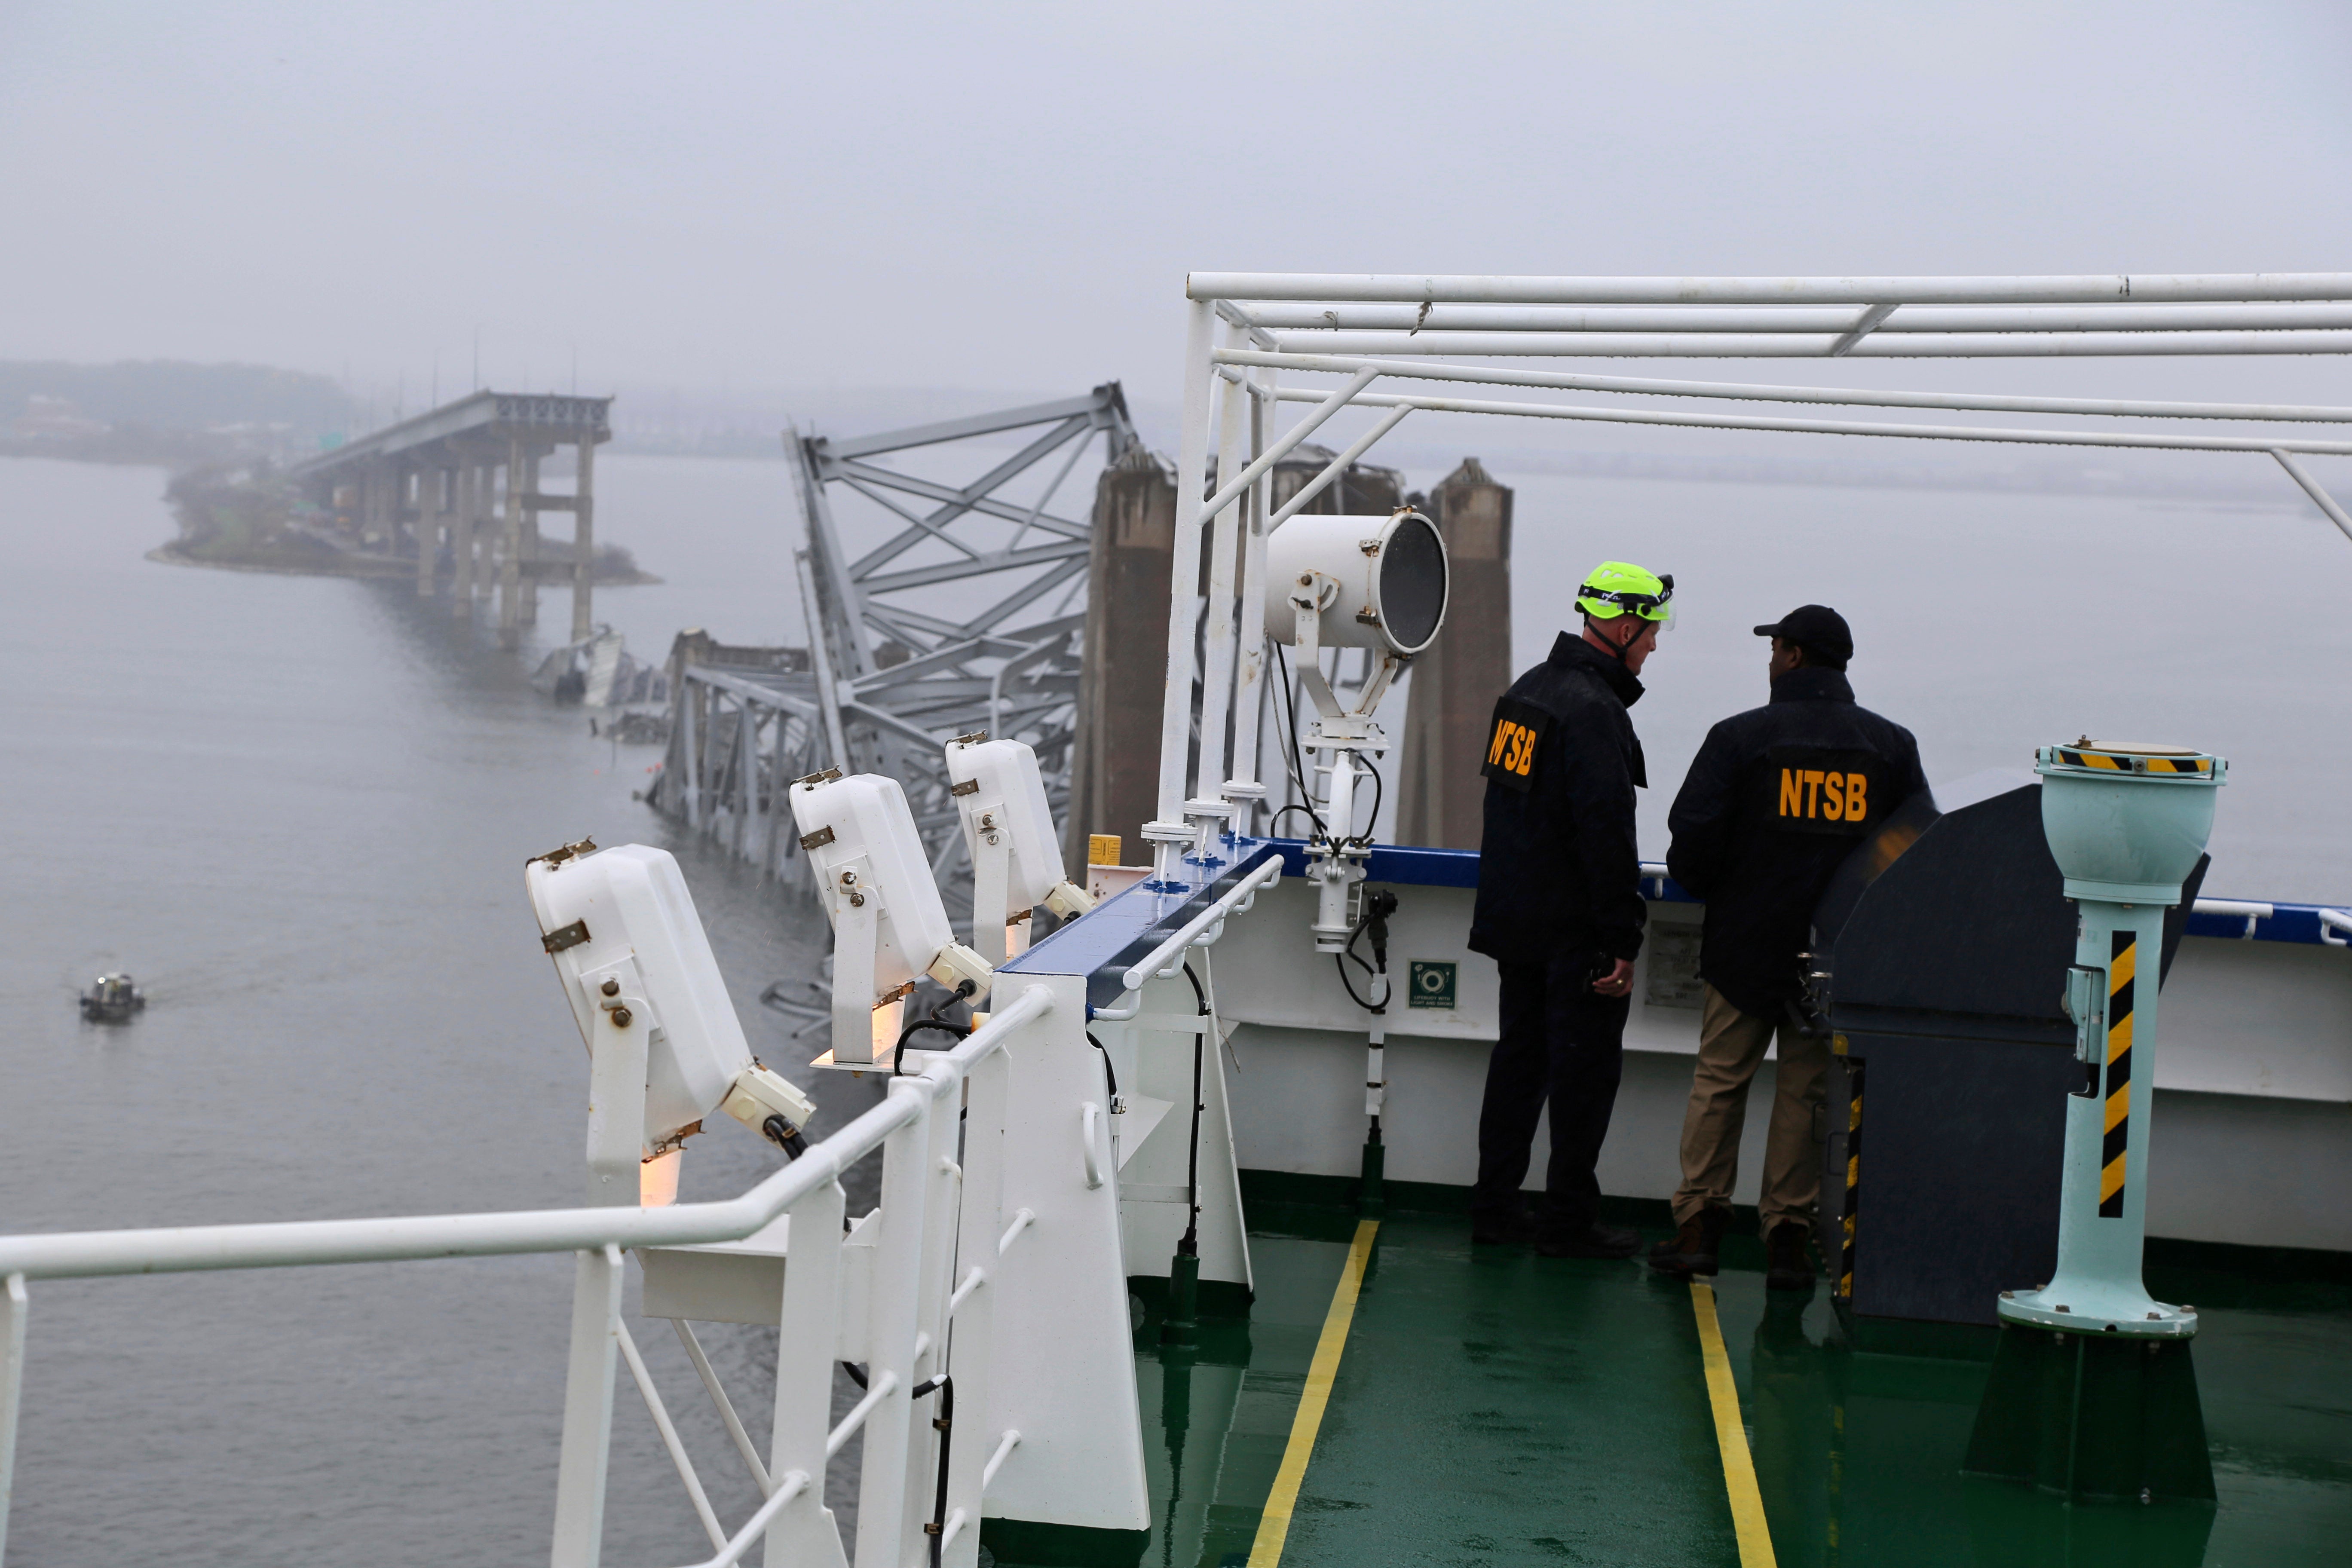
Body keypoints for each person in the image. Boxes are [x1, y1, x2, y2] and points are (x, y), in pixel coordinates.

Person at [1654, 605, 1927, 1289]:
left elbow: (1691, 839)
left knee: (1720, 1082)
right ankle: (1786, 1237)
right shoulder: (1890, 747)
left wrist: (1731, 889)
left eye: (1775, 649)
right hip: (1834, 955)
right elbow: (1916, 849)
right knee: (1806, 1096)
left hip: (1744, 946)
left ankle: (1698, 1227)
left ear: (1796, 658)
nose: (1770, 659)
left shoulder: (1741, 738)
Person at [1466, 561, 1671, 1259]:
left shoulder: (1528, 692)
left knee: (1518, 1069)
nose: (1652, 648)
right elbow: (1606, 832)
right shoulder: (1593, 711)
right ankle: (1567, 1224)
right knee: (1583, 1079)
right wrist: (1622, 938)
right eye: (1649, 632)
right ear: (1620, 625)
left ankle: (1494, 1211)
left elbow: (1507, 815)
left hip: (1516, 921)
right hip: (1572, 933)